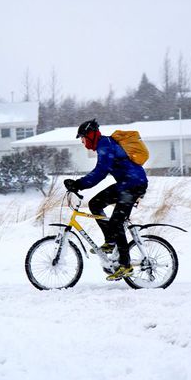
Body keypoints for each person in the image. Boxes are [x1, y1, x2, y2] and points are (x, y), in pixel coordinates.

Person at [63, 119, 148, 281]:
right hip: (125, 184)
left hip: (134, 185)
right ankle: (111, 241)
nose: (83, 142)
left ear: (91, 135)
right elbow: (101, 171)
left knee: (117, 222)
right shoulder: (105, 144)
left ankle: (125, 265)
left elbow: (101, 172)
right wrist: (79, 184)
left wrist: (79, 184)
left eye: (83, 138)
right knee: (95, 203)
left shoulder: (105, 145)